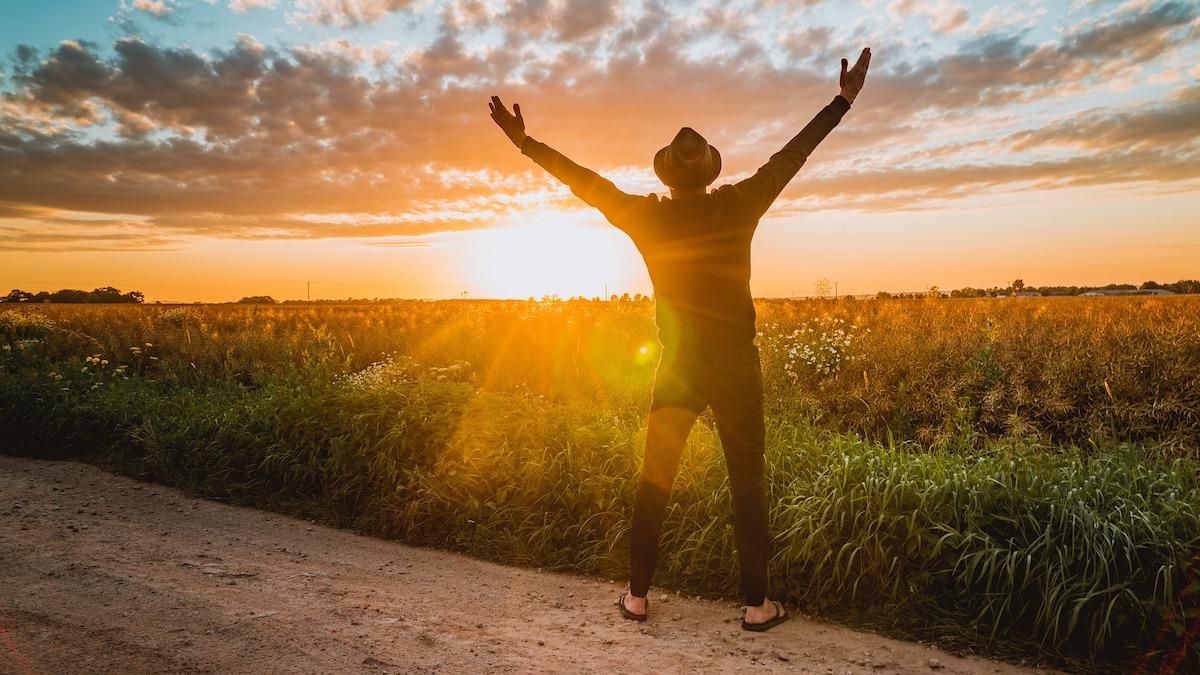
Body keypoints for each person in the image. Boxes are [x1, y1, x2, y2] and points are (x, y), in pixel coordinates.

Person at [488, 47, 871, 631]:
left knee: (655, 479)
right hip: (736, 366)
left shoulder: (647, 218)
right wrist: (841, 102)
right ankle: (755, 607)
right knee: (747, 481)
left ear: (666, 176)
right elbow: (792, 155)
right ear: (711, 170)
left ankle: (637, 598)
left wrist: (524, 143)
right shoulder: (741, 203)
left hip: (678, 365)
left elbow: (584, 183)